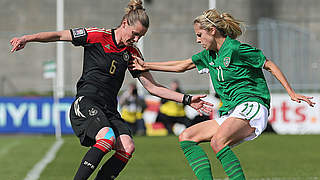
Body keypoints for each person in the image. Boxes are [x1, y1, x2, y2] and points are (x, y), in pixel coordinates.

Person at [9, 1, 213, 179]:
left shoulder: (132, 53)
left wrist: (186, 99)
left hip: (109, 108)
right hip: (86, 102)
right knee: (107, 137)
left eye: (140, 37)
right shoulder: (97, 35)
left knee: (127, 147)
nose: (136, 40)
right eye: (135, 34)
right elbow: (59, 35)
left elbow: (152, 87)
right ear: (125, 23)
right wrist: (28, 38)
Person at [131, 9, 315, 180]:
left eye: (199, 35)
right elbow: (182, 66)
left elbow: (269, 65)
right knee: (187, 136)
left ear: (212, 30)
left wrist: (291, 92)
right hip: (233, 111)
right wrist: (146, 65)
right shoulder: (208, 55)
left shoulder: (236, 49)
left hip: (252, 105)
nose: (197, 40)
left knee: (218, 142)